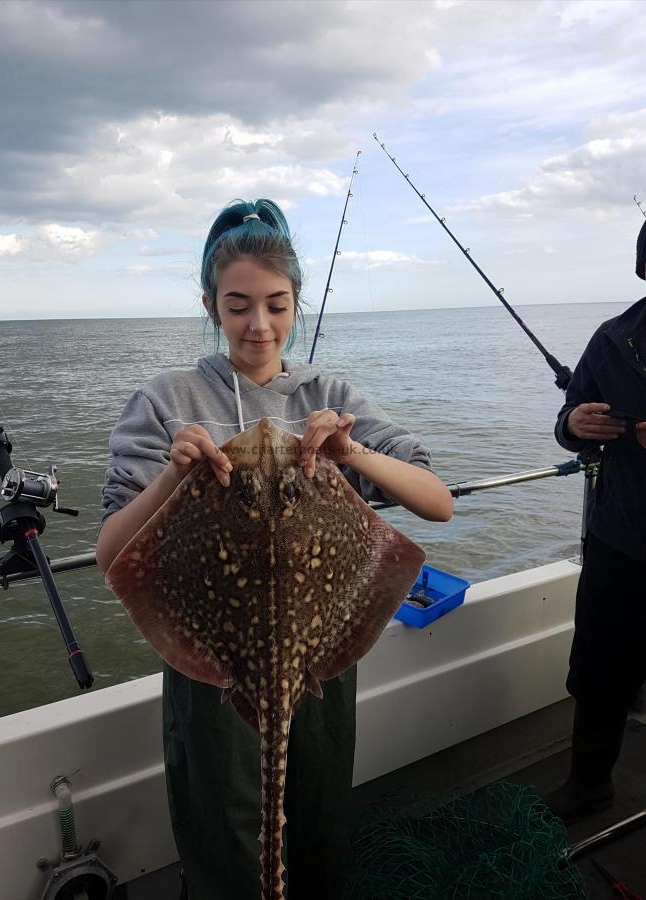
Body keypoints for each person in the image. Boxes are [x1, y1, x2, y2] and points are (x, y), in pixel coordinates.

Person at [96, 199, 453, 899]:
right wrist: (173, 473)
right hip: (213, 661)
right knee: (225, 834)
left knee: (315, 819)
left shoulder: (329, 393)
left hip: (317, 651)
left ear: (296, 302)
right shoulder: (167, 398)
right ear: (210, 305)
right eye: (237, 307)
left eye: (276, 305)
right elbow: (113, 551)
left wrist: (354, 454)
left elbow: (436, 500)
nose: (258, 325)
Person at [547, 219, 646, 823]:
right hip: (619, 540)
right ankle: (589, 787)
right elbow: (568, 419)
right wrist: (574, 425)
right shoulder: (614, 338)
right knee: (599, 671)